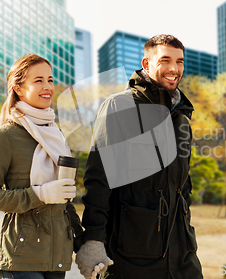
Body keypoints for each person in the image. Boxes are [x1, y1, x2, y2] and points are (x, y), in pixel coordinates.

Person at [75, 35, 203, 278]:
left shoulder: (182, 118)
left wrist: (185, 229)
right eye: (165, 60)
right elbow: (98, 179)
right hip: (131, 254)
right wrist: (93, 240)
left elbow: (183, 185)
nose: (174, 69)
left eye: (180, 62)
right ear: (146, 64)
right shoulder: (118, 106)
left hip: (183, 255)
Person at [0, 54, 84, 279]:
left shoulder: (56, 135)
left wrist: (83, 247)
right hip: (21, 254)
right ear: (18, 88)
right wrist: (40, 194)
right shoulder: (6, 135)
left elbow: (63, 202)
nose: (47, 87)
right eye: (38, 81)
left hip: (56, 256)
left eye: (50, 80)